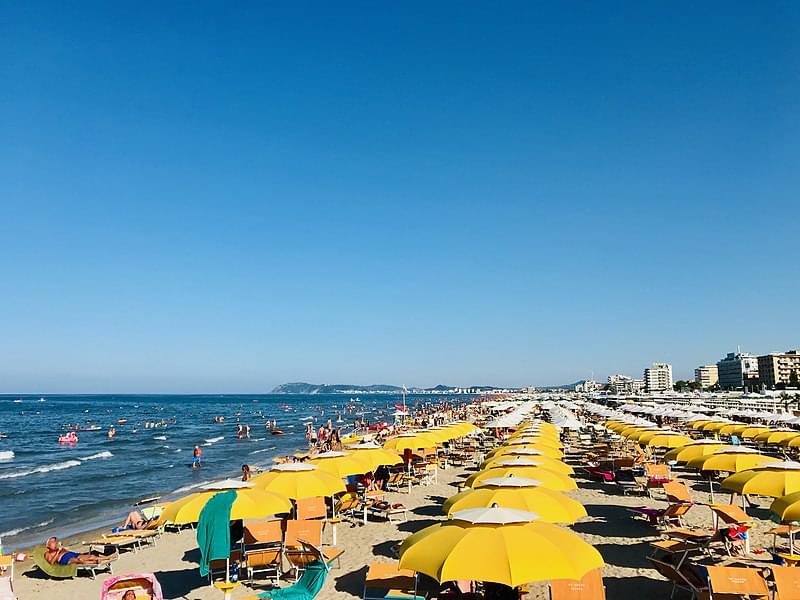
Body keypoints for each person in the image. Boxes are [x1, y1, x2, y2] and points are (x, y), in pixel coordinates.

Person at [43, 537, 109, 566]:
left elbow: (67, 550)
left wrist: (63, 549)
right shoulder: (47, 554)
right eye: (52, 542)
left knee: (91, 556)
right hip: (64, 559)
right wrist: (57, 553)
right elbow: (51, 563)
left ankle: (107, 558)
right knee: (80, 560)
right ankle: (95, 562)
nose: (55, 543)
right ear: (48, 545)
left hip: (71, 554)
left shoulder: (58, 548)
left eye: (55, 541)